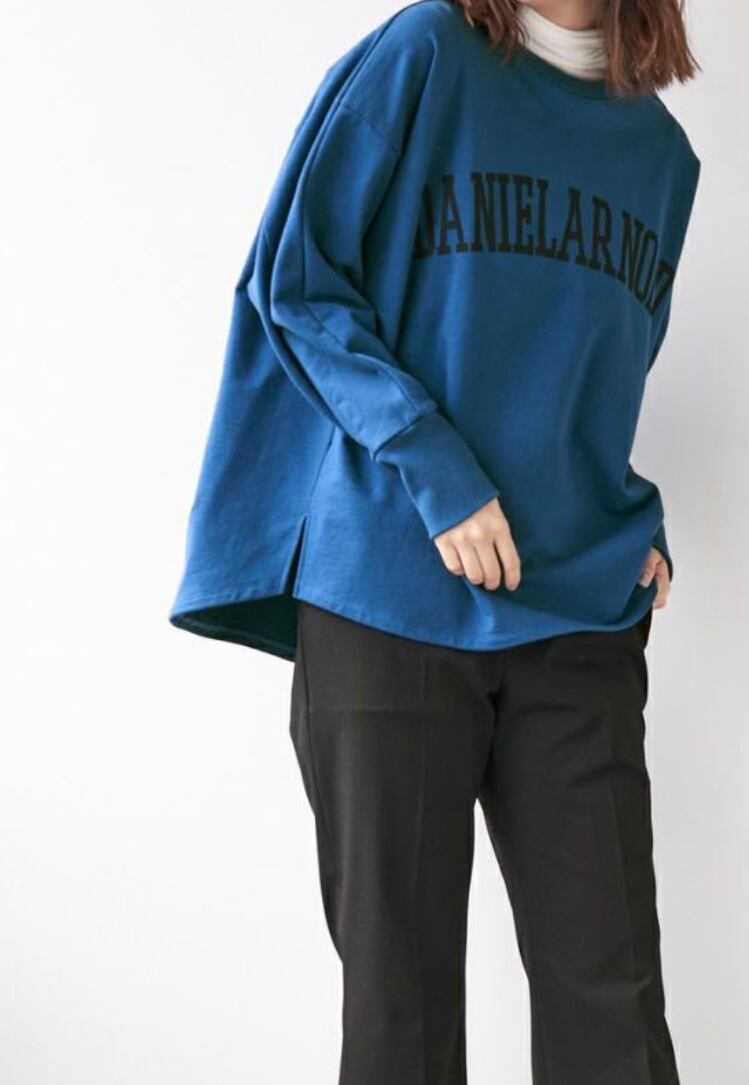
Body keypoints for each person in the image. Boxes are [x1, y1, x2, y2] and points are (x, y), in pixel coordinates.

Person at [168, 1, 701, 1081]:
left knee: (615, 1011)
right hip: (388, 591)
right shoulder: (424, 55)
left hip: (579, 613)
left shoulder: (660, 154)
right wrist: (436, 470)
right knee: (399, 1014)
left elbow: (594, 373)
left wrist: (623, 523)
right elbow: (298, 282)